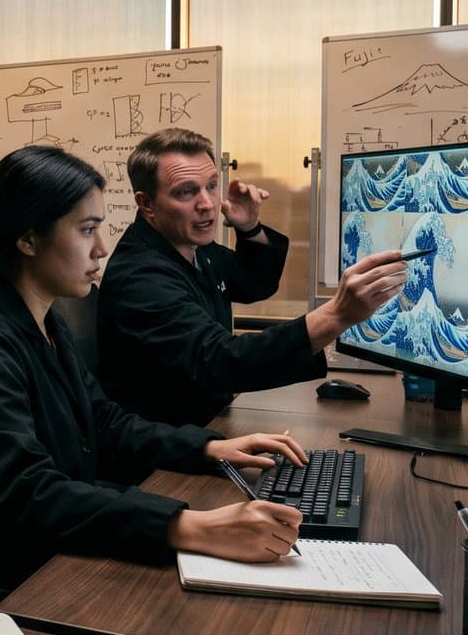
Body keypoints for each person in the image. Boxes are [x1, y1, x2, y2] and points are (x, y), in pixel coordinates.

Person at [0, 145, 308, 587]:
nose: (102, 248)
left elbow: (103, 423)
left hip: (62, 534)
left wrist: (207, 448)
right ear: (27, 240)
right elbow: (25, 494)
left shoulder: (43, 320)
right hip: (15, 567)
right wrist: (193, 527)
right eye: (87, 230)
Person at [96, 127, 407, 428]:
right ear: (146, 203)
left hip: (209, 421)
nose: (207, 204)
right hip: (166, 451)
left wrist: (250, 228)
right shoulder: (139, 278)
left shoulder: (190, 247)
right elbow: (221, 362)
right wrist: (336, 315)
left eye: (211, 185)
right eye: (186, 192)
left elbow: (253, 284)